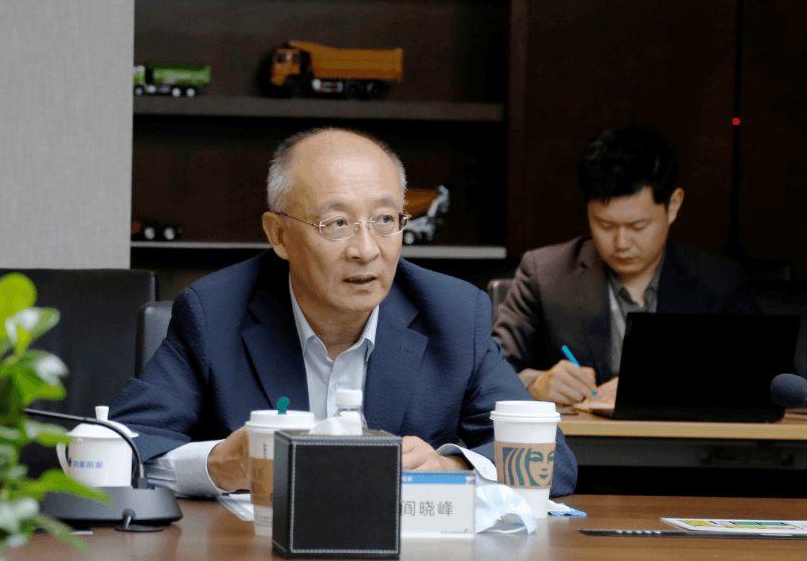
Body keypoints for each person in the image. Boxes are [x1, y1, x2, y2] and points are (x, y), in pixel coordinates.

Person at [111, 127, 577, 497]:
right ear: (278, 235)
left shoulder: (452, 313)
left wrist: (449, 467)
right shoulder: (216, 311)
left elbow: (551, 461)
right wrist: (220, 465)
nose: (366, 250)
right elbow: (121, 450)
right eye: (337, 223)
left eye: (385, 220)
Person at [493, 126, 756, 407]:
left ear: (673, 205)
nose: (621, 243)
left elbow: (763, 377)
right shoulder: (545, 274)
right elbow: (489, 371)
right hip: (581, 434)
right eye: (605, 225)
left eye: (638, 226)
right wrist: (534, 384)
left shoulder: (718, 281)